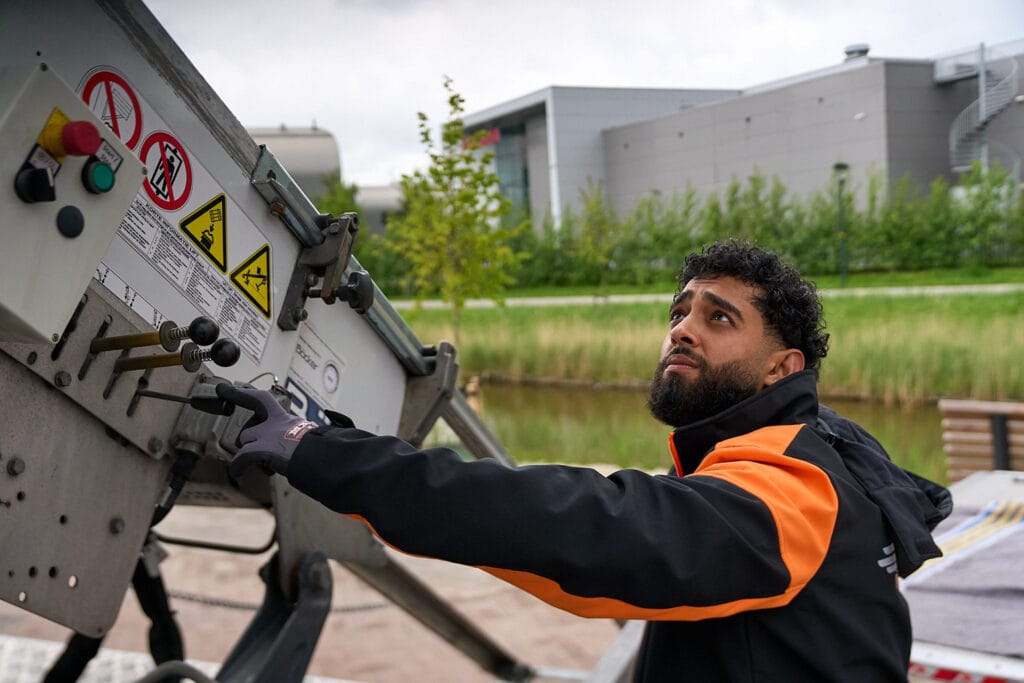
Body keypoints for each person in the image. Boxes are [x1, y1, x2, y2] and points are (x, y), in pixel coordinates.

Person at [217, 240, 951, 682]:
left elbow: (584, 531)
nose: (682, 331)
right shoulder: (806, 449)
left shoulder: (796, 492)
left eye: (719, 318)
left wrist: (317, 453)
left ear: (779, 368)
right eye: (679, 312)